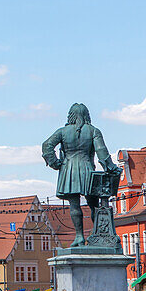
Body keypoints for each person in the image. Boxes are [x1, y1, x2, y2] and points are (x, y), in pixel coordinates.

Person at [41, 103, 120, 247]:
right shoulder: (93, 131)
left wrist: (55, 163)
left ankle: (79, 236)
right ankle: (96, 235)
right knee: (94, 204)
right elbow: (102, 152)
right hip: (87, 169)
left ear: (70, 115)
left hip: (69, 170)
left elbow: (47, 145)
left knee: (74, 205)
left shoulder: (63, 131)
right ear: (87, 115)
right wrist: (111, 167)